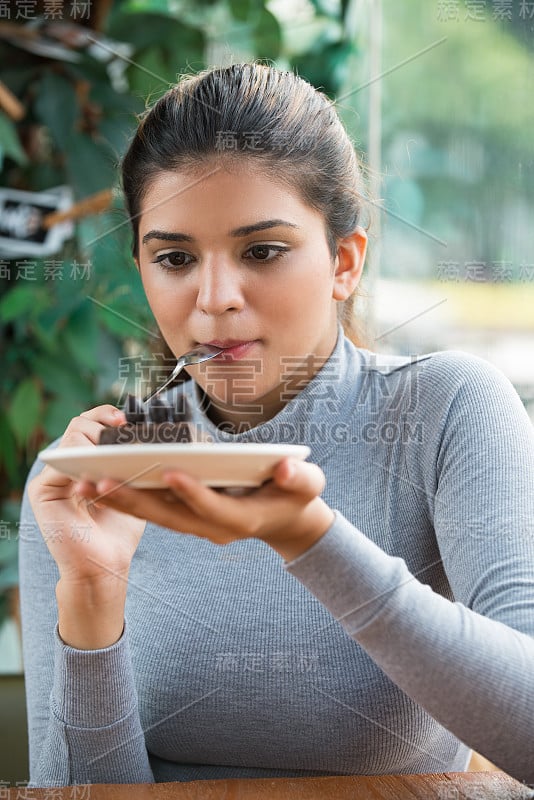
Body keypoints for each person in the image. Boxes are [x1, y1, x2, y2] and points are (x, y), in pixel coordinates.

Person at [20, 62, 534, 787]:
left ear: (344, 263)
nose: (215, 298)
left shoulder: (445, 410)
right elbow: (74, 792)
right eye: (174, 257)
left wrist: (308, 537)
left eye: (261, 251)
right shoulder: (89, 481)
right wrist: (93, 591)